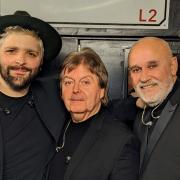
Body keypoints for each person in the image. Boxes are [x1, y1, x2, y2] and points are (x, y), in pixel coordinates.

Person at [48, 47, 140, 180]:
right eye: (68, 82)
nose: (75, 89)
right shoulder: (54, 127)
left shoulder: (121, 141)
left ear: (102, 90)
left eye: (85, 82)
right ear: (61, 92)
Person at [0, 12, 66, 179]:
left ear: (41, 61)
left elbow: (96, 105)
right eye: (11, 51)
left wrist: (138, 103)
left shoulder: (54, 94)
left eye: (31, 54)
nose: (21, 60)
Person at [128, 37, 180, 180]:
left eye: (152, 66)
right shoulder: (142, 110)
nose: (144, 77)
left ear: (173, 66)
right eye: (136, 69)